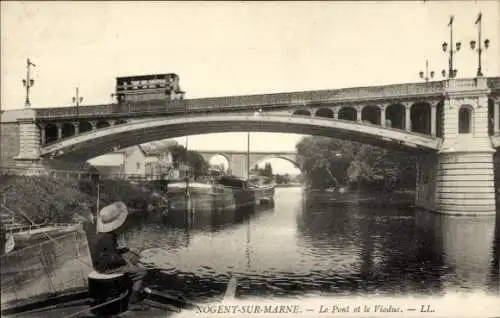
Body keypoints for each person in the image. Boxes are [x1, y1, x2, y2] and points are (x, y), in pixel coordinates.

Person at [94, 201, 147, 310]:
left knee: (132, 260)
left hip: (100, 265)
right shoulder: (109, 237)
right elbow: (112, 260)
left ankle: (128, 287)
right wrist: (126, 261)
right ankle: (133, 302)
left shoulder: (102, 235)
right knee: (142, 271)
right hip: (107, 268)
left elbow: (112, 251)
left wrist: (128, 249)